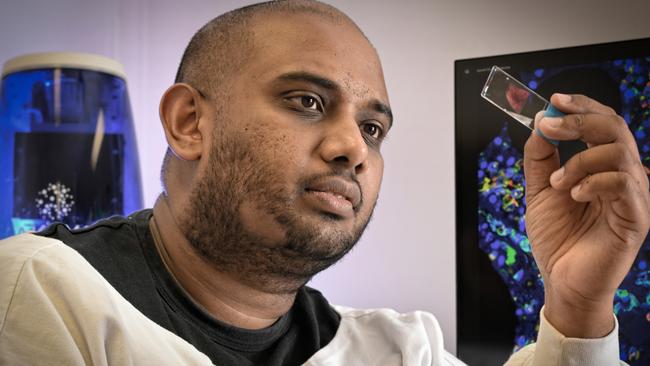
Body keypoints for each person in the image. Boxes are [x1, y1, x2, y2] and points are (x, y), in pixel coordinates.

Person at [1, 1, 647, 365]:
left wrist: (577, 303)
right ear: (189, 122)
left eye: (372, 129)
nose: (351, 149)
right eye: (308, 102)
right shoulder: (43, 296)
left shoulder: (398, 350)